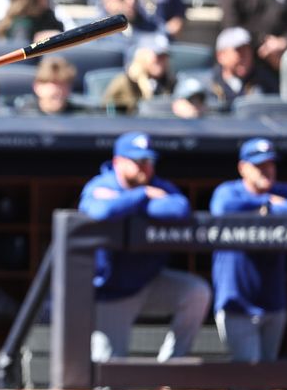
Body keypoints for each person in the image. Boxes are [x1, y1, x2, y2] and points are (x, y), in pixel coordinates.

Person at [79, 131, 211, 362]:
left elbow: (179, 208)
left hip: (150, 282)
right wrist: (144, 196)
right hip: (112, 292)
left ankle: (172, 364)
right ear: (118, 162)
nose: (144, 167)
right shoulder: (100, 185)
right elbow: (102, 211)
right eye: (137, 161)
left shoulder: (158, 185)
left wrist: (130, 201)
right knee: (106, 372)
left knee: (197, 292)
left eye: (148, 161)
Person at [211, 138, 287, 362]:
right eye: (259, 165)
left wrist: (269, 208)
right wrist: (265, 204)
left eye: (270, 164)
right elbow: (222, 207)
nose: (266, 171)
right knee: (250, 374)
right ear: (243, 168)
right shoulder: (230, 191)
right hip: (237, 302)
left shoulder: (282, 192)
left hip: (274, 303)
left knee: (269, 371)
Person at [103, 34, 175, 114]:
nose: (161, 61)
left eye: (164, 57)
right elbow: (106, 107)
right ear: (142, 55)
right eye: (157, 56)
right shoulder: (125, 81)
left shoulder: (170, 82)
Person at [210, 26, 279, 108]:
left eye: (248, 50)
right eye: (239, 51)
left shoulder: (265, 82)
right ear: (220, 56)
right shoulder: (206, 84)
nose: (245, 56)